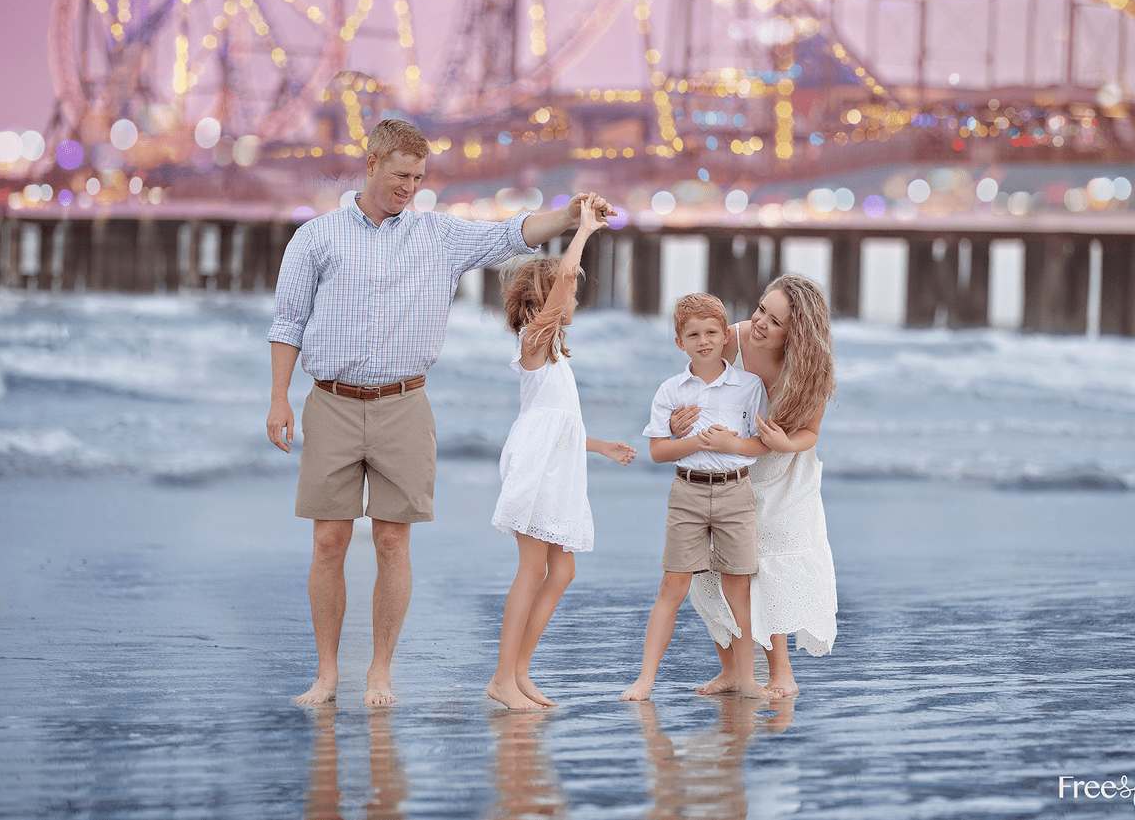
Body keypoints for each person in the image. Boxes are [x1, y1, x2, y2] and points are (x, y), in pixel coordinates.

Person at [266, 118, 609, 707]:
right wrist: (278, 400)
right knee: (328, 541)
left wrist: (569, 217)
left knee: (393, 543)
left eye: (418, 178)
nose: (409, 186)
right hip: (332, 401)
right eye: (401, 175)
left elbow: (512, 234)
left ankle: (380, 671)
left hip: (405, 403)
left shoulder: (437, 235)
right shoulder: (315, 238)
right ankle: (326, 674)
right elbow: (288, 322)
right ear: (371, 164)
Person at [487, 195, 636, 710]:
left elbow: (559, 423)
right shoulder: (533, 340)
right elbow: (567, 280)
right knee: (533, 567)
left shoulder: (554, 357)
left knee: (563, 570)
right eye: (565, 294)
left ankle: (519, 669)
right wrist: (584, 231)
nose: (574, 299)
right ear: (544, 298)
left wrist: (599, 446)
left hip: (558, 463)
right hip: (536, 466)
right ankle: (502, 677)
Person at [678, 274, 838, 697]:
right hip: (734, 464)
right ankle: (731, 669)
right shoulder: (734, 340)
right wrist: (679, 422)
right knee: (710, 564)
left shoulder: (811, 368)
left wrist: (786, 442)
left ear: (798, 334)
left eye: (776, 321)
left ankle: (781, 672)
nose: (760, 323)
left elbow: (811, 433)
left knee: (764, 567)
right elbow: (697, 377)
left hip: (785, 473)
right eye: (761, 309)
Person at [621, 293, 773, 702]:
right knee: (673, 585)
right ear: (679, 342)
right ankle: (645, 680)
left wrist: (728, 443)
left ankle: (746, 679)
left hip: (735, 492)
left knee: (738, 588)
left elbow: (762, 445)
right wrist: (691, 442)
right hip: (687, 493)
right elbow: (656, 452)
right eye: (693, 334)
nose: (703, 340)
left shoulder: (749, 386)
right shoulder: (671, 391)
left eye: (711, 332)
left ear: (726, 336)